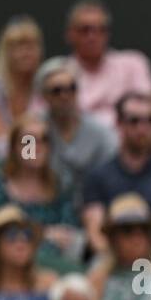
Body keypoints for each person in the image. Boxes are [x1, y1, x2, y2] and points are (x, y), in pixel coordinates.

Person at [81, 92, 151, 254]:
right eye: (134, 121)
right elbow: (95, 234)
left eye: (149, 121)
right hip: (111, 261)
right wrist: (120, 262)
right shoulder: (97, 175)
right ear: (118, 123)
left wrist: (149, 262)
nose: (142, 128)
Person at [0, 115, 80, 263]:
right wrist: (45, 234)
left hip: (50, 266)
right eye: (29, 141)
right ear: (14, 147)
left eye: (43, 140)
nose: (36, 147)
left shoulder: (61, 185)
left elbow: (67, 236)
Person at [63, 0, 151, 130]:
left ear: (108, 34)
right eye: (85, 30)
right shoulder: (59, 73)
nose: (92, 36)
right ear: (70, 34)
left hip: (128, 143)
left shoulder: (133, 64)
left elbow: (149, 108)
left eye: (100, 30)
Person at [37, 58, 117, 208]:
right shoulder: (30, 131)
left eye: (71, 88)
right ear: (44, 95)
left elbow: (110, 176)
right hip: (42, 204)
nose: (65, 95)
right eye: (57, 91)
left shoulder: (101, 133)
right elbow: (23, 167)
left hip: (90, 207)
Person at [0, 16, 44, 156]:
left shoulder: (44, 87)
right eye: (19, 46)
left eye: (32, 46)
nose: (26, 53)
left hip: (33, 157)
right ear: (5, 52)